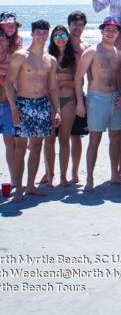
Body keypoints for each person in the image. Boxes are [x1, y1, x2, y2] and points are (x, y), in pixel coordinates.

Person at [4, 20, 61, 202]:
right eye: (38, 33)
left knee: (37, 146)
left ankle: (30, 186)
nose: (42, 36)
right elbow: (8, 83)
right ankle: (19, 188)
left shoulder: (50, 59)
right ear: (32, 34)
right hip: (23, 104)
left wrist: (56, 110)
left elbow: (53, 87)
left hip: (42, 105)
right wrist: (14, 108)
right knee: (21, 148)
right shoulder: (21, 55)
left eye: (45, 33)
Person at [75, 17, 121, 191]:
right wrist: (80, 103)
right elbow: (78, 77)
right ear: (102, 31)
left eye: (114, 30)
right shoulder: (92, 51)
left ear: (118, 33)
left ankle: (114, 174)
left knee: (116, 137)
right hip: (96, 98)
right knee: (95, 138)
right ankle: (89, 178)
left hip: (115, 98)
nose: (111, 32)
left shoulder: (120, 54)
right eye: (107, 29)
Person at [46, 25, 78, 186]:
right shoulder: (47, 56)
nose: (60, 38)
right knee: (49, 140)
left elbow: (79, 82)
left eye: (63, 35)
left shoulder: (74, 57)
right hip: (50, 102)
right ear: (52, 39)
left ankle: (63, 177)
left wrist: (62, 81)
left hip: (68, 100)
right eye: (57, 36)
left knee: (65, 139)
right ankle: (50, 175)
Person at [67, 11, 90, 183]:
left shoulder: (86, 48)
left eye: (80, 24)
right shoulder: (60, 43)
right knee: (52, 138)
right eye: (74, 24)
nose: (77, 27)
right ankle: (49, 172)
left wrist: (86, 101)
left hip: (78, 96)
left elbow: (91, 76)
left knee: (76, 137)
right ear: (69, 25)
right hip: (60, 94)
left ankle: (74, 172)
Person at [0, 28, 15, 191]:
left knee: (11, 143)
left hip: (9, 105)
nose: (0, 42)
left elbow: (14, 76)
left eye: (2, 38)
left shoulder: (13, 59)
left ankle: (14, 179)